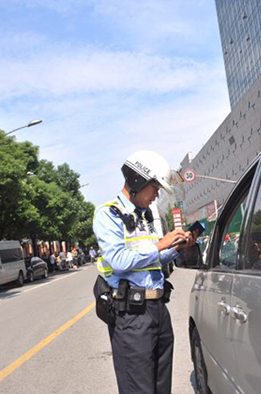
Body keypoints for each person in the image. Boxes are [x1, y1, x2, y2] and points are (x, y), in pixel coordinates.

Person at [92, 150, 196, 394]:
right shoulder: (108, 214)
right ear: (138, 181)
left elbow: (152, 261)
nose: (156, 195)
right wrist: (160, 244)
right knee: (138, 389)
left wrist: (175, 248)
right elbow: (118, 259)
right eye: (155, 188)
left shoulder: (145, 216)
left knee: (161, 387)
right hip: (132, 315)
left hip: (158, 310)